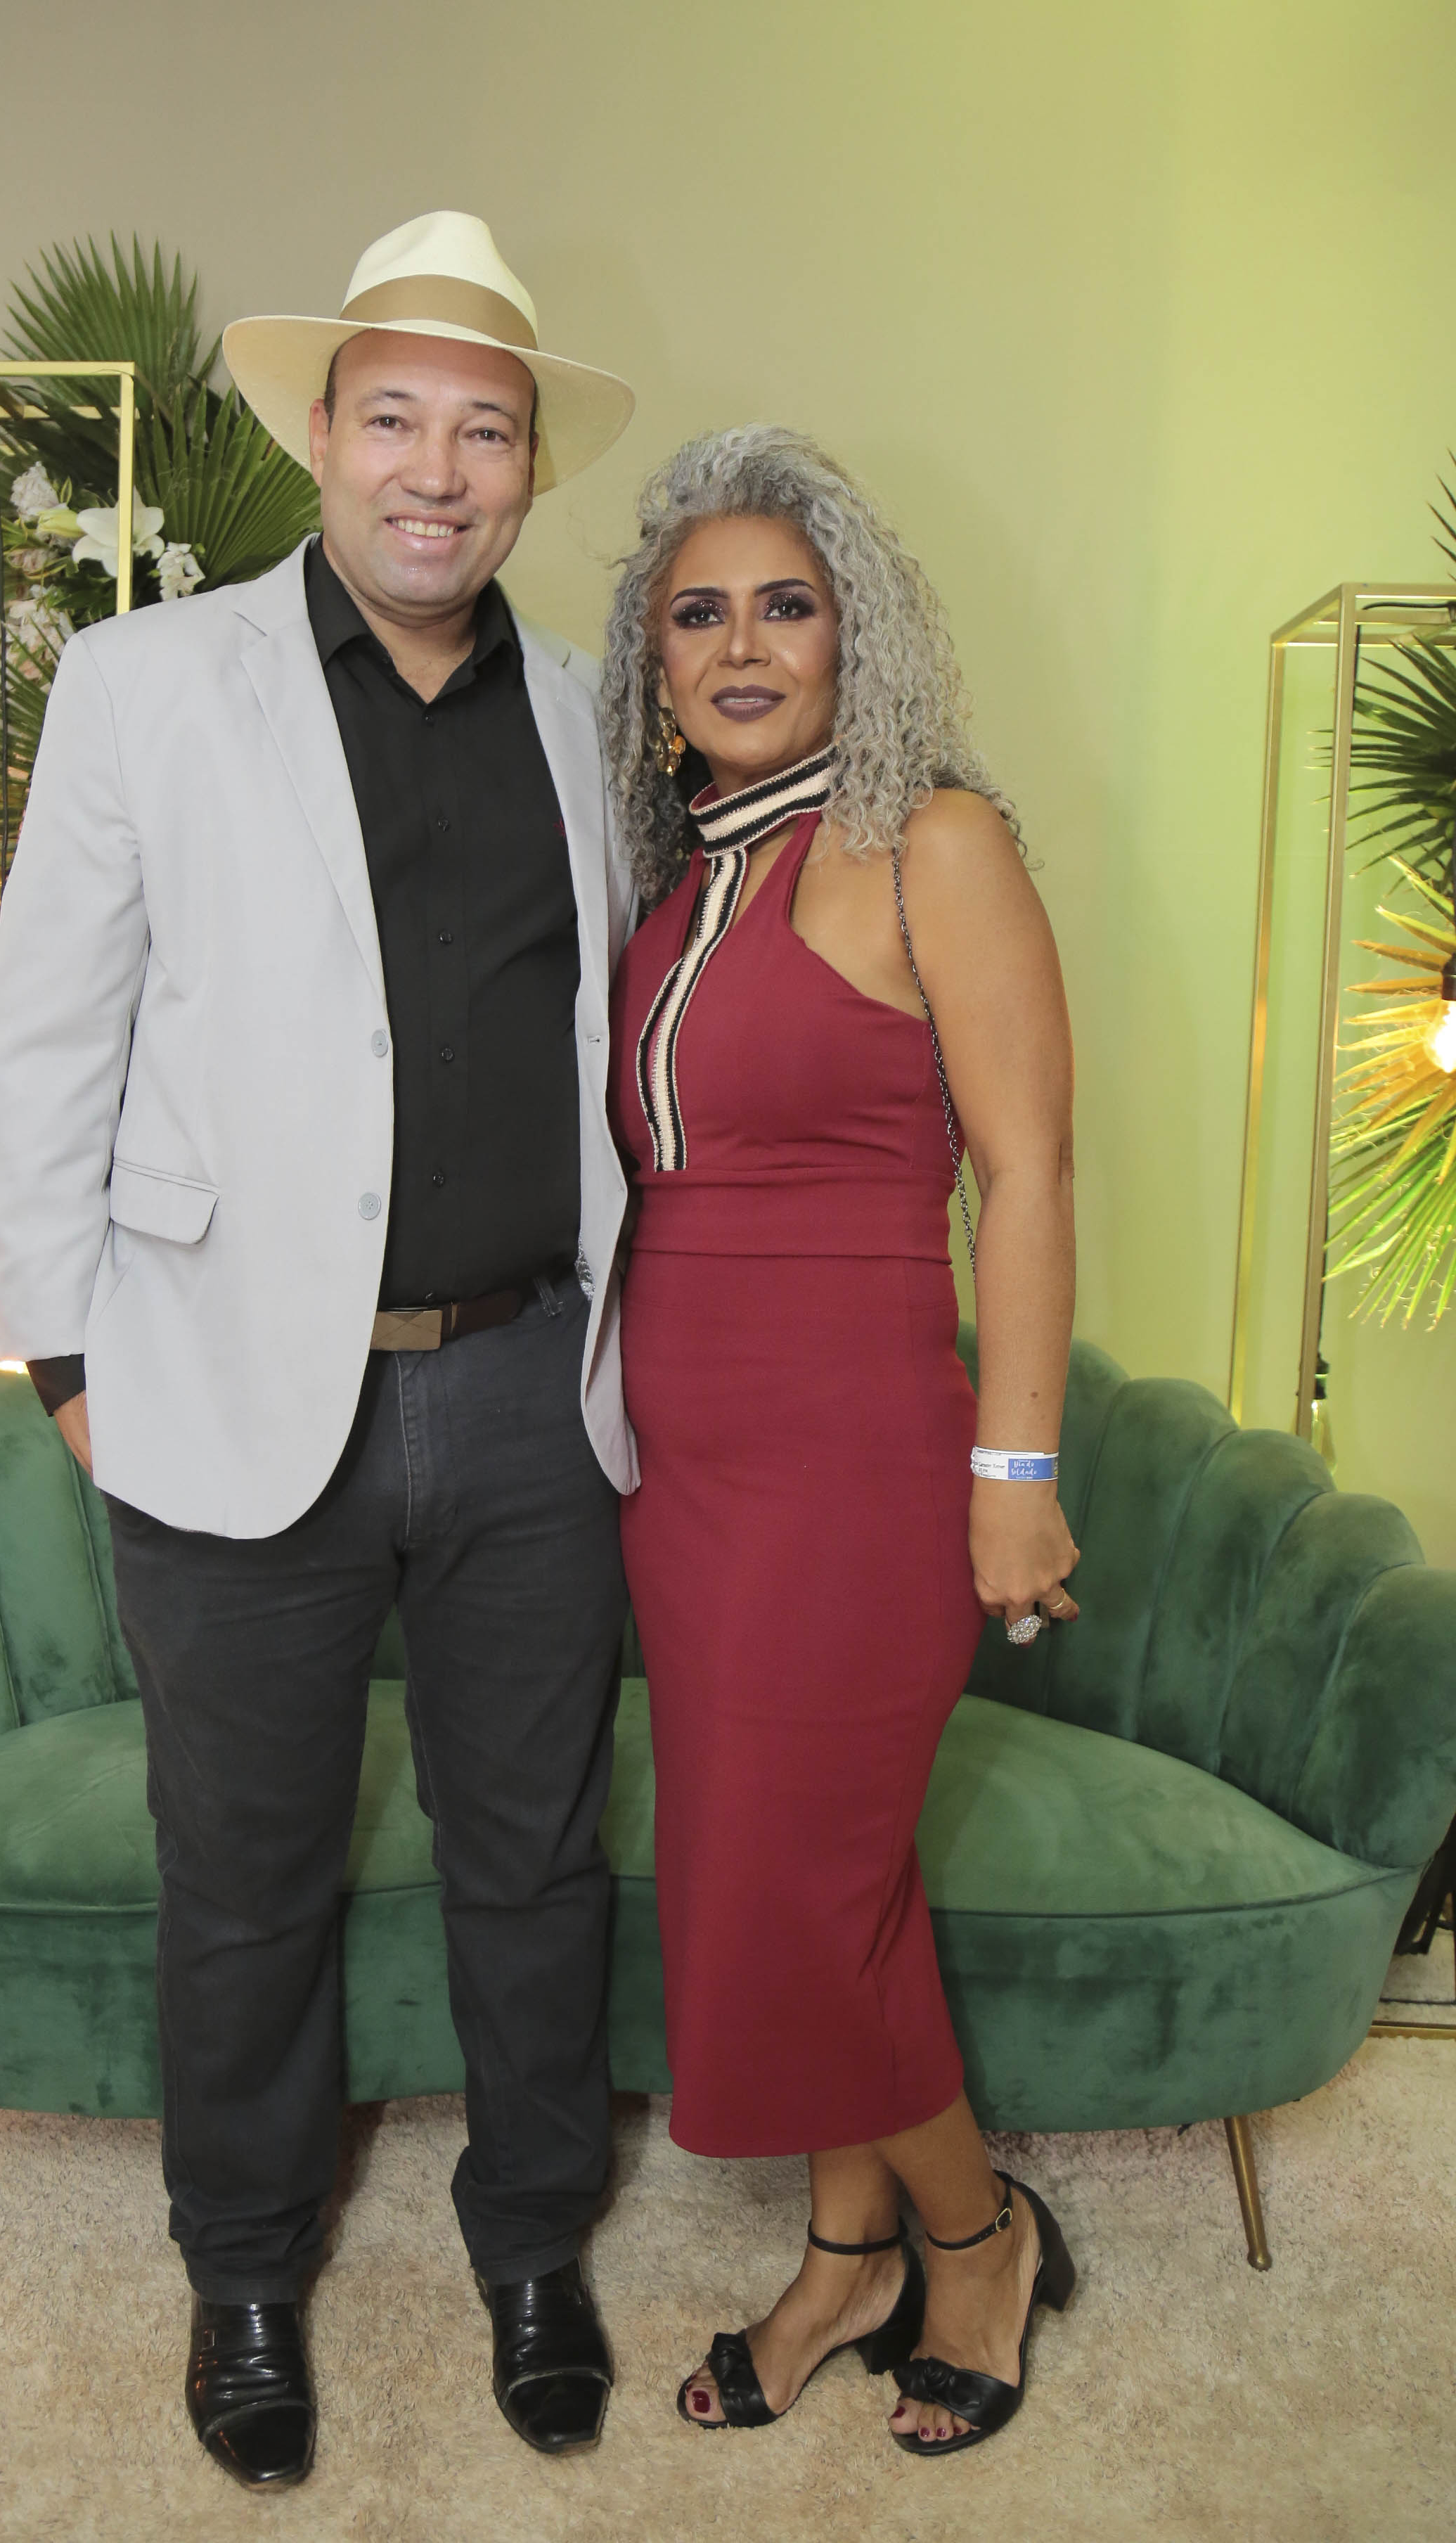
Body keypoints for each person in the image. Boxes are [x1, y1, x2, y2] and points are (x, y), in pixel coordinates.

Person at [0, 210, 639, 2492]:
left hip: (532, 1388)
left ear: (529, 467)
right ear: (323, 437)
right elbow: (46, 1036)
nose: (436, 471)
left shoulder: (589, 716)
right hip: (218, 1378)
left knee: (533, 1860)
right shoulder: (145, 686)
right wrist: (65, 1360)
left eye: (486, 430)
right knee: (245, 1873)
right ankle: (246, 2275)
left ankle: (535, 2245)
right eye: (396, 420)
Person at [600, 426, 1079, 2456]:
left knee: (806, 1893)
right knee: (780, 1876)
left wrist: (1016, 1479)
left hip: (858, 1470)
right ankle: (843, 2252)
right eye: (697, 614)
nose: (740, 646)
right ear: (653, 661)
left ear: (849, 635)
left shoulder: (932, 842)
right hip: (686, 1489)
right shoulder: (678, 883)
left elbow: (1029, 1172)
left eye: (783, 606)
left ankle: (976, 2238)